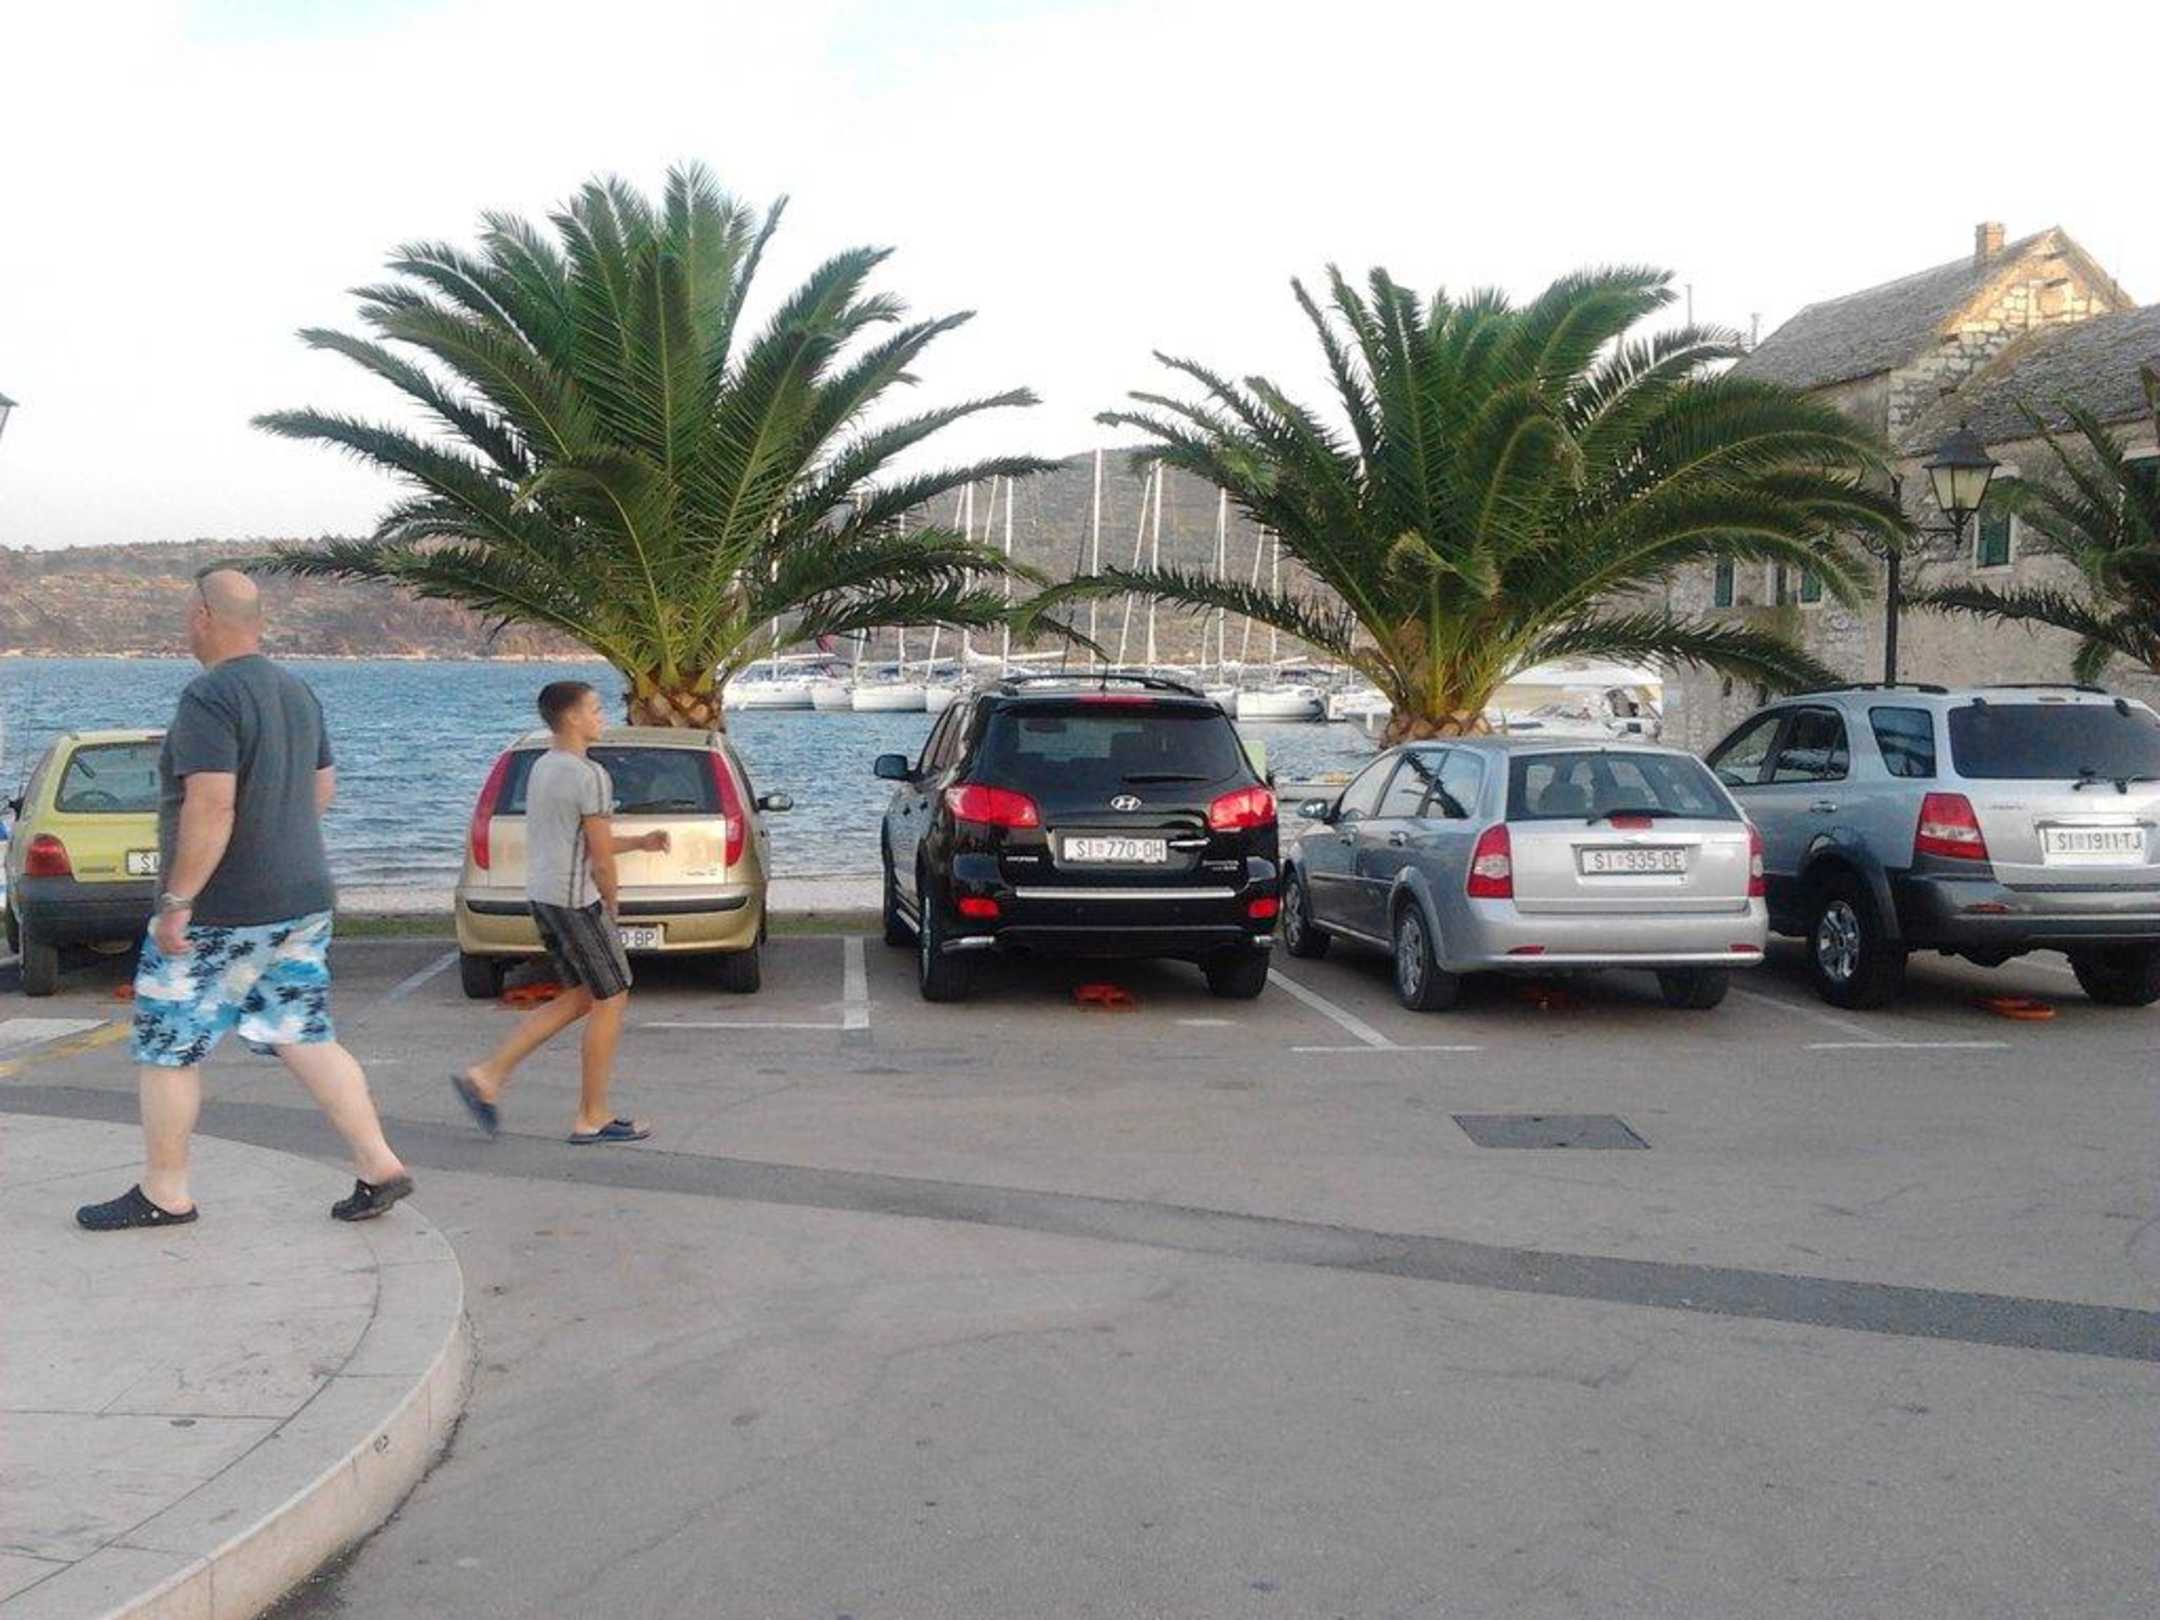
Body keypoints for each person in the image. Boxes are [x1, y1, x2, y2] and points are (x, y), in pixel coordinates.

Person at [77, 570, 412, 1230]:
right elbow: (322, 788)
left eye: (186, 613)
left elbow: (211, 803)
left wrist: (178, 900)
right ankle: (380, 1165)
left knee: (168, 1045)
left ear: (204, 616)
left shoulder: (209, 695)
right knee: (303, 1033)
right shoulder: (296, 690)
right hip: (302, 901)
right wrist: (278, 839)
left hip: (222, 911)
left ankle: (166, 1193)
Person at [451, 681, 666, 1145]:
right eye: (594, 709)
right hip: (575, 902)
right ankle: (592, 1117)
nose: (601, 716)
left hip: (545, 895)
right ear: (571, 717)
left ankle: (487, 1076)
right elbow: (599, 858)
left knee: (584, 996)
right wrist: (612, 903)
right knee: (613, 997)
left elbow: (581, 840)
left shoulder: (543, 767)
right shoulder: (589, 775)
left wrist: (640, 842)